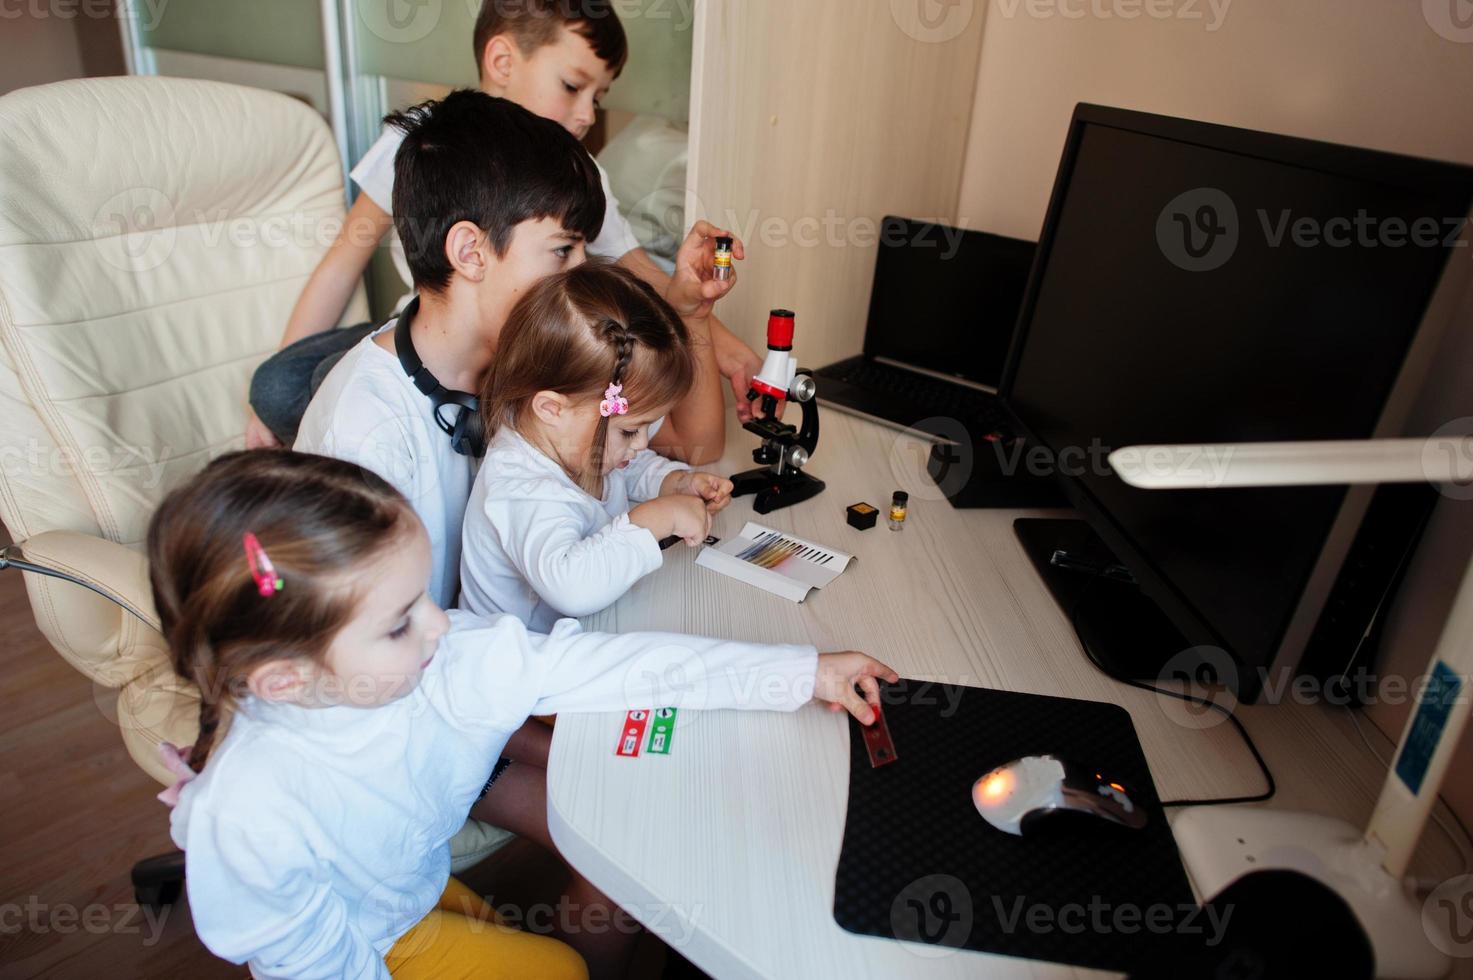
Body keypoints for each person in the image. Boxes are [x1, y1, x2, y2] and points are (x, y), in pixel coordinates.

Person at [152, 449, 898, 979]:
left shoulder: (441, 659)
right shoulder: (249, 812)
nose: (440, 625)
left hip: (398, 885)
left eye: (423, 600)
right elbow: (306, 961)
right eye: (398, 621)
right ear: (284, 680)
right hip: (360, 940)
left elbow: (621, 666)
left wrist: (802, 672)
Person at [247, 0, 760, 455]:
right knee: (278, 385)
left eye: (597, 98)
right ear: (502, 61)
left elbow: (640, 275)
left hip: (500, 339)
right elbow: (343, 261)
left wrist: (721, 341)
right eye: (572, 87)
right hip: (427, 328)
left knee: (323, 381)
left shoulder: (575, 178)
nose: (585, 115)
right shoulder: (425, 141)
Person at [461, 262, 734, 630]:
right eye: (629, 431)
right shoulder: (520, 486)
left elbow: (624, 467)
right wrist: (654, 519)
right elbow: (571, 587)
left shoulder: (570, 440)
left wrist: (675, 483)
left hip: (584, 634)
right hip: (517, 664)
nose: (641, 444)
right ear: (552, 409)